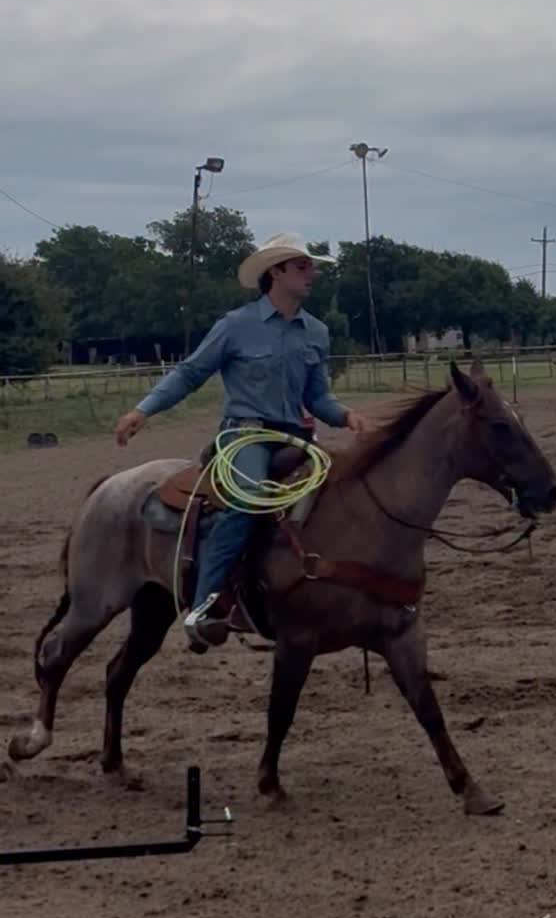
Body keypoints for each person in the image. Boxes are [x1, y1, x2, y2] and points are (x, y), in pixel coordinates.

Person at [115, 233, 367, 649]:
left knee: (344, 492)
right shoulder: (236, 326)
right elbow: (190, 373)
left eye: (311, 266)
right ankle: (204, 606)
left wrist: (346, 415)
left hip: (296, 437)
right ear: (276, 272)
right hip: (245, 435)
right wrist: (142, 411)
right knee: (248, 500)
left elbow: (317, 396)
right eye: (302, 266)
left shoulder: (316, 332)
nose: (312, 274)